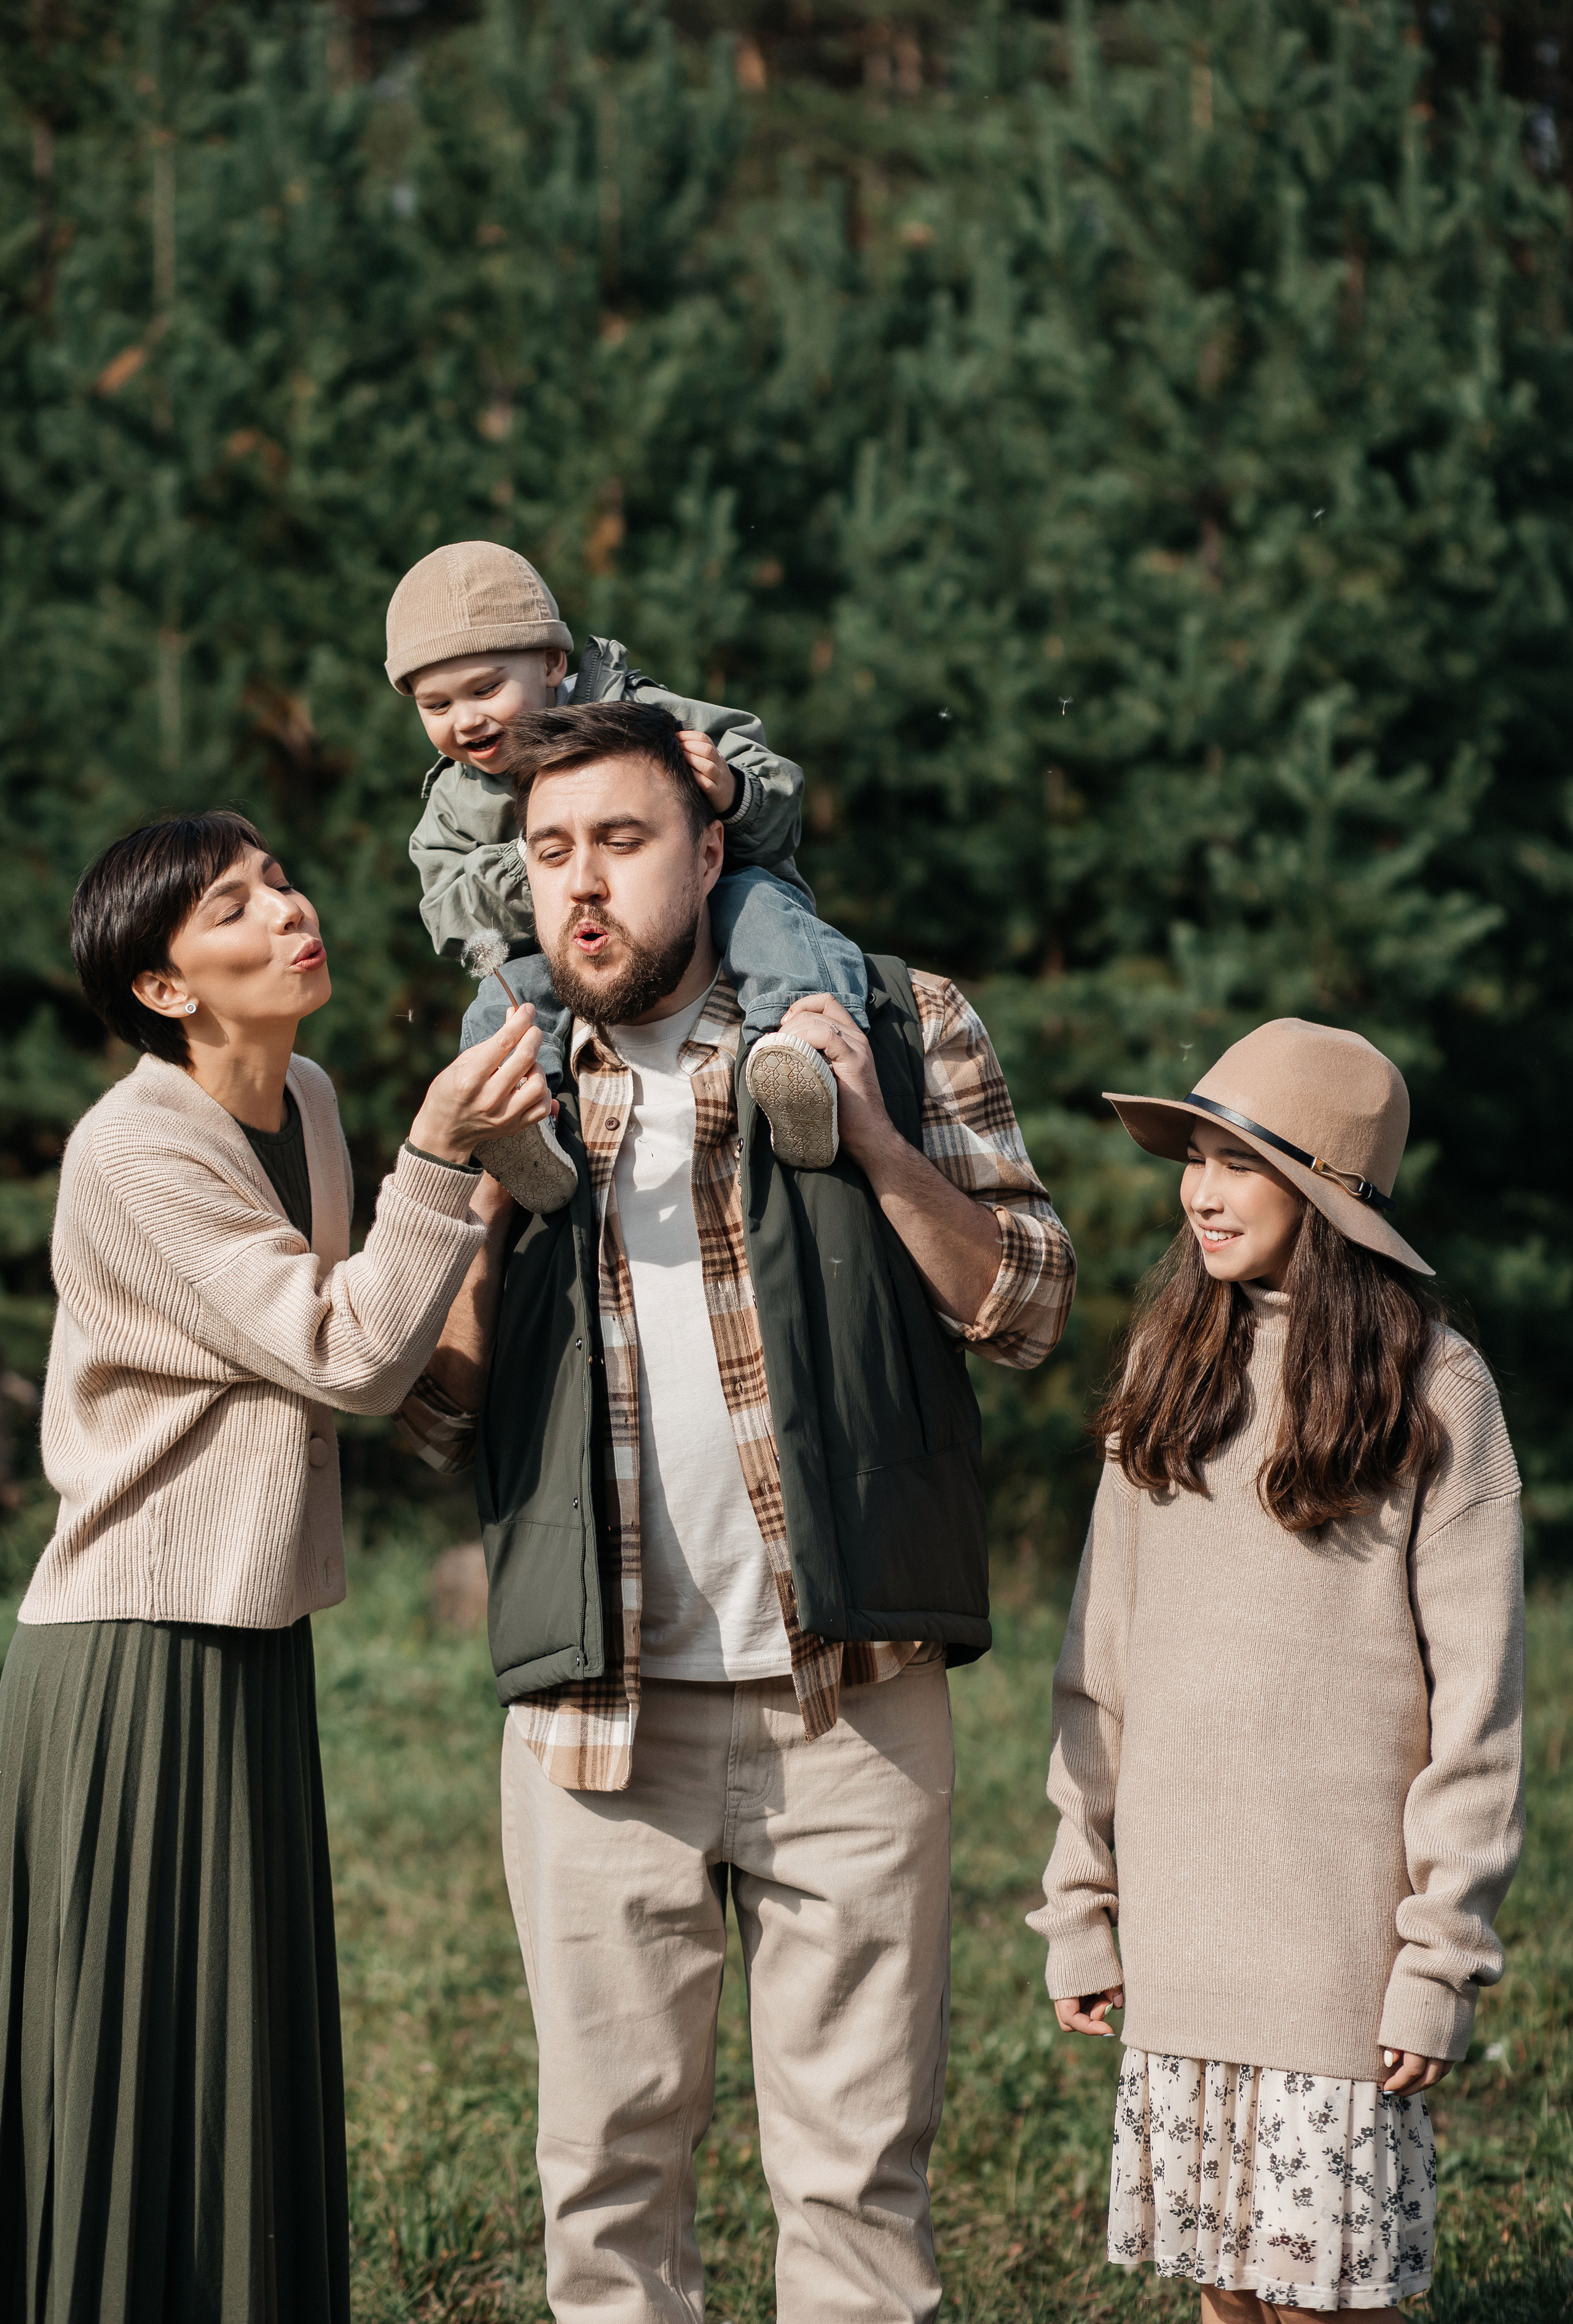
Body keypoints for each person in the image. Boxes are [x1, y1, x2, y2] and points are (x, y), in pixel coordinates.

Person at [397, 699, 1077, 2322]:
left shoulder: (892, 1019)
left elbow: (1034, 1305)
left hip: (852, 1690)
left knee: (857, 2181)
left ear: (711, 852)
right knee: (610, 2183)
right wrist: (481, 1185)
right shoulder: (498, 1071)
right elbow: (430, 1410)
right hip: (595, 1715)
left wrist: (873, 1144)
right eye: (549, 851)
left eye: (622, 843)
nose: (581, 886)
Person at [0, 811, 549, 2323]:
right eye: (232, 911)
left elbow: (357, 1332)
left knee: (239, 2046)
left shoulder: (301, 1093)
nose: (287, 913)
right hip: (126, 1657)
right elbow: (347, 1355)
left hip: (243, 1634)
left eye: (279, 884)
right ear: (167, 990)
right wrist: (439, 1155)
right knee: (130, 2066)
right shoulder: (132, 1147)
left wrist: (481, 1206)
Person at [1030, 1020, 1526, 2321]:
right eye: (1192, 1156)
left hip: (1335, 1959)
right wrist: (1081, 1899)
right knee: (1222, 2298)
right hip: (1186, 1945)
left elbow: (1478, 1711)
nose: (1197, 1189)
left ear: (1320, 1193)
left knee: (1313, 2304)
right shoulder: (1167, 1367)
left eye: (1235, 1163)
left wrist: (1437, 1955)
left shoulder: (1434, 1388)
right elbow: (1100, 1665)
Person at [390, 538, 873, 1205]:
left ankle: (797, 1062)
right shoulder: (454, 800)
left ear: (553, 662)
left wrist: (733, 790)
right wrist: (532, 858)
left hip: (710, 900)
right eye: (436, 706)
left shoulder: (647, 717)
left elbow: (780, 797)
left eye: (485, 689)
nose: (465, 720)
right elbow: (447, 913)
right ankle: (527, 1128)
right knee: (502, 1002)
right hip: (567, 951)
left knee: (763, 915)